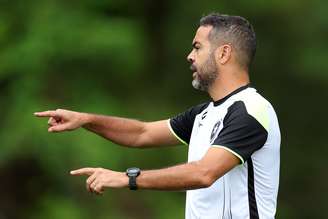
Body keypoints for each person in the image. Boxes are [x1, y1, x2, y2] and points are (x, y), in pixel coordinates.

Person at [35, 13, 280, 219]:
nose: (190, 56)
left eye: (197, 47)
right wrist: (86, 120)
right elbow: (142, 133)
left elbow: (203, 173)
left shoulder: (251, 110)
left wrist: (127, 178)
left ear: (224, 53)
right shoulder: (205, 114)